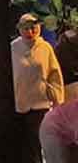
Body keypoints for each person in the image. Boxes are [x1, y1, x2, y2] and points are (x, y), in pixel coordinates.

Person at [12, 12, 64, 163]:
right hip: (19, 103)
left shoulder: (45, 47)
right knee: (23, 145)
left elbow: (55, 75)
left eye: (33, 28)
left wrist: (57, 99)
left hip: (40, 103)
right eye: (26, 28)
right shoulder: (13, 48)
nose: (30, 32)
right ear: (20, 29)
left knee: (38, 143)